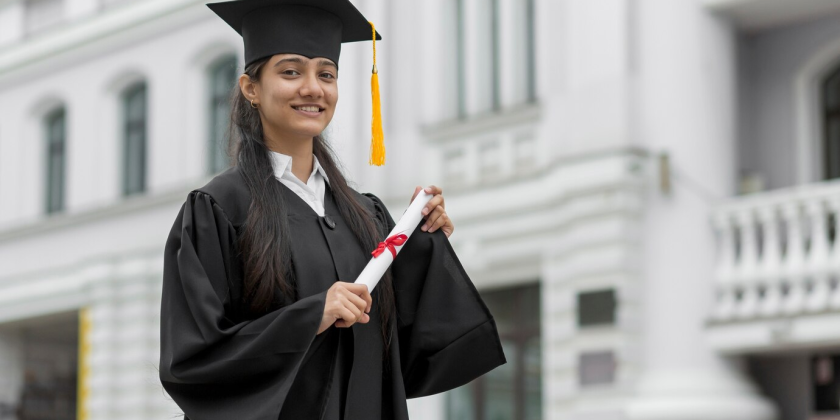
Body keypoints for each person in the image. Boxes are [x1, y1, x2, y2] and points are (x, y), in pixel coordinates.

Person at [158, 1, 507, 419]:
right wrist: (310, 316)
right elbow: (192, 362)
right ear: (251, 88)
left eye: (326, 74)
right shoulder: (217, 210)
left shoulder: (366, 215)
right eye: (291, 72)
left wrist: (422, 243)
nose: (313, 88)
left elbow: (413, 350)